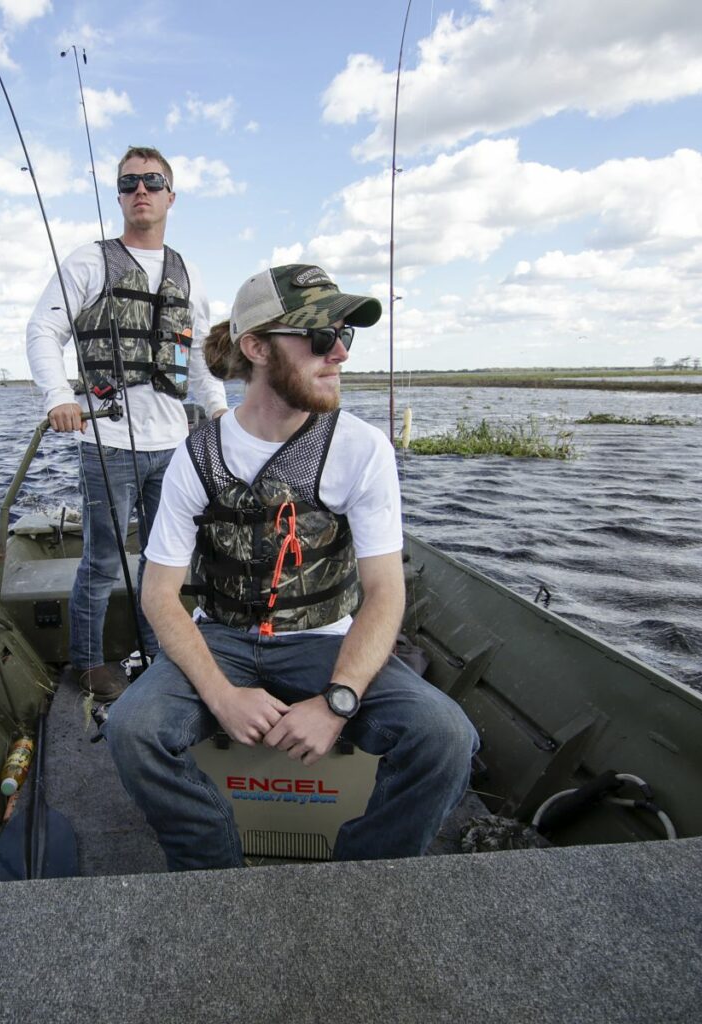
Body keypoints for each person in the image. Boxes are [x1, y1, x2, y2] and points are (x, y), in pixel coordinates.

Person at [104, 263, 478, 871]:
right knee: (132, 729)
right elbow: (159, 595)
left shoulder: (361, 449)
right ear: (256, 347)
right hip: (221, 638)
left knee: (446, 737)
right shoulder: (194, 457)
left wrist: (339, 700)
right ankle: (215, 873)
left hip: (325, 643)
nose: (339, 355)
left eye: (345, 337)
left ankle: (360, 878)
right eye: (319, 337)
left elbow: (384, 594)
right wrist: (222, 697)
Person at [25, 146, 228, 702]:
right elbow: (43, 332)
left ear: (170, 195)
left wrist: (219, 412)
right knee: (103, 561)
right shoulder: (89, 261)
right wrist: (56, 396)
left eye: (153, 181)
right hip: (107, 443)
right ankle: (90, 663)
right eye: (130, 182)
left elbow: (203, 357)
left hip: (175, 445)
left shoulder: (189, 274)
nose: (142, 190)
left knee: (167, 560)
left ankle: (163, 654)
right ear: (119, 195)